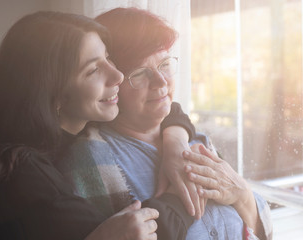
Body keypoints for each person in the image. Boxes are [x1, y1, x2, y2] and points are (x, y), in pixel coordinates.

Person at [0, 11, 198, 240]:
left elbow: (167, 107)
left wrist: (175, 144)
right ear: (53, 94)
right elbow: (141, 232)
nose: (118, 75)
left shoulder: (18, 138)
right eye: (93, 70)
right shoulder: (22, 173)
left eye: (108, 58)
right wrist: (189, 186)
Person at [60, 7, 273, 240]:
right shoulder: (91, 160)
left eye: (164, 64)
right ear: (112, 81)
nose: (161, 82)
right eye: (140, 72)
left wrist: (243, 196)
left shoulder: (197, 139)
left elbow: (264, 232)